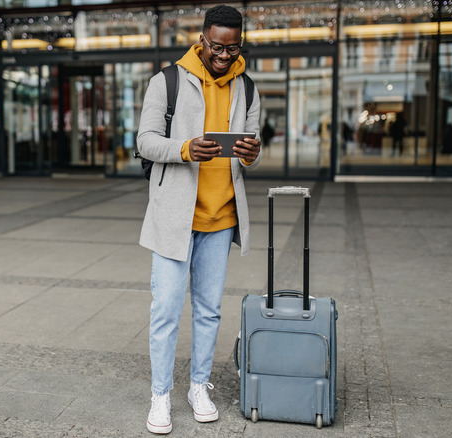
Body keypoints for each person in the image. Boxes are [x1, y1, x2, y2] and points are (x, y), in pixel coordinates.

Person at [136, 5, 261, 435]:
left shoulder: (246, 87)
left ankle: (198, 386)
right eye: (217, 46)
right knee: (166, 310)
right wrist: (185, 149)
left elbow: (252, 146)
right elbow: (146, 141)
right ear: (201, 38)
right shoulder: (167, 81)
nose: (224, 55)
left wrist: (252, 153)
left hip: (220, 216)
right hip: (174, 216)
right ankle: (160, 395)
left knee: (208, 312)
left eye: (233, 47)